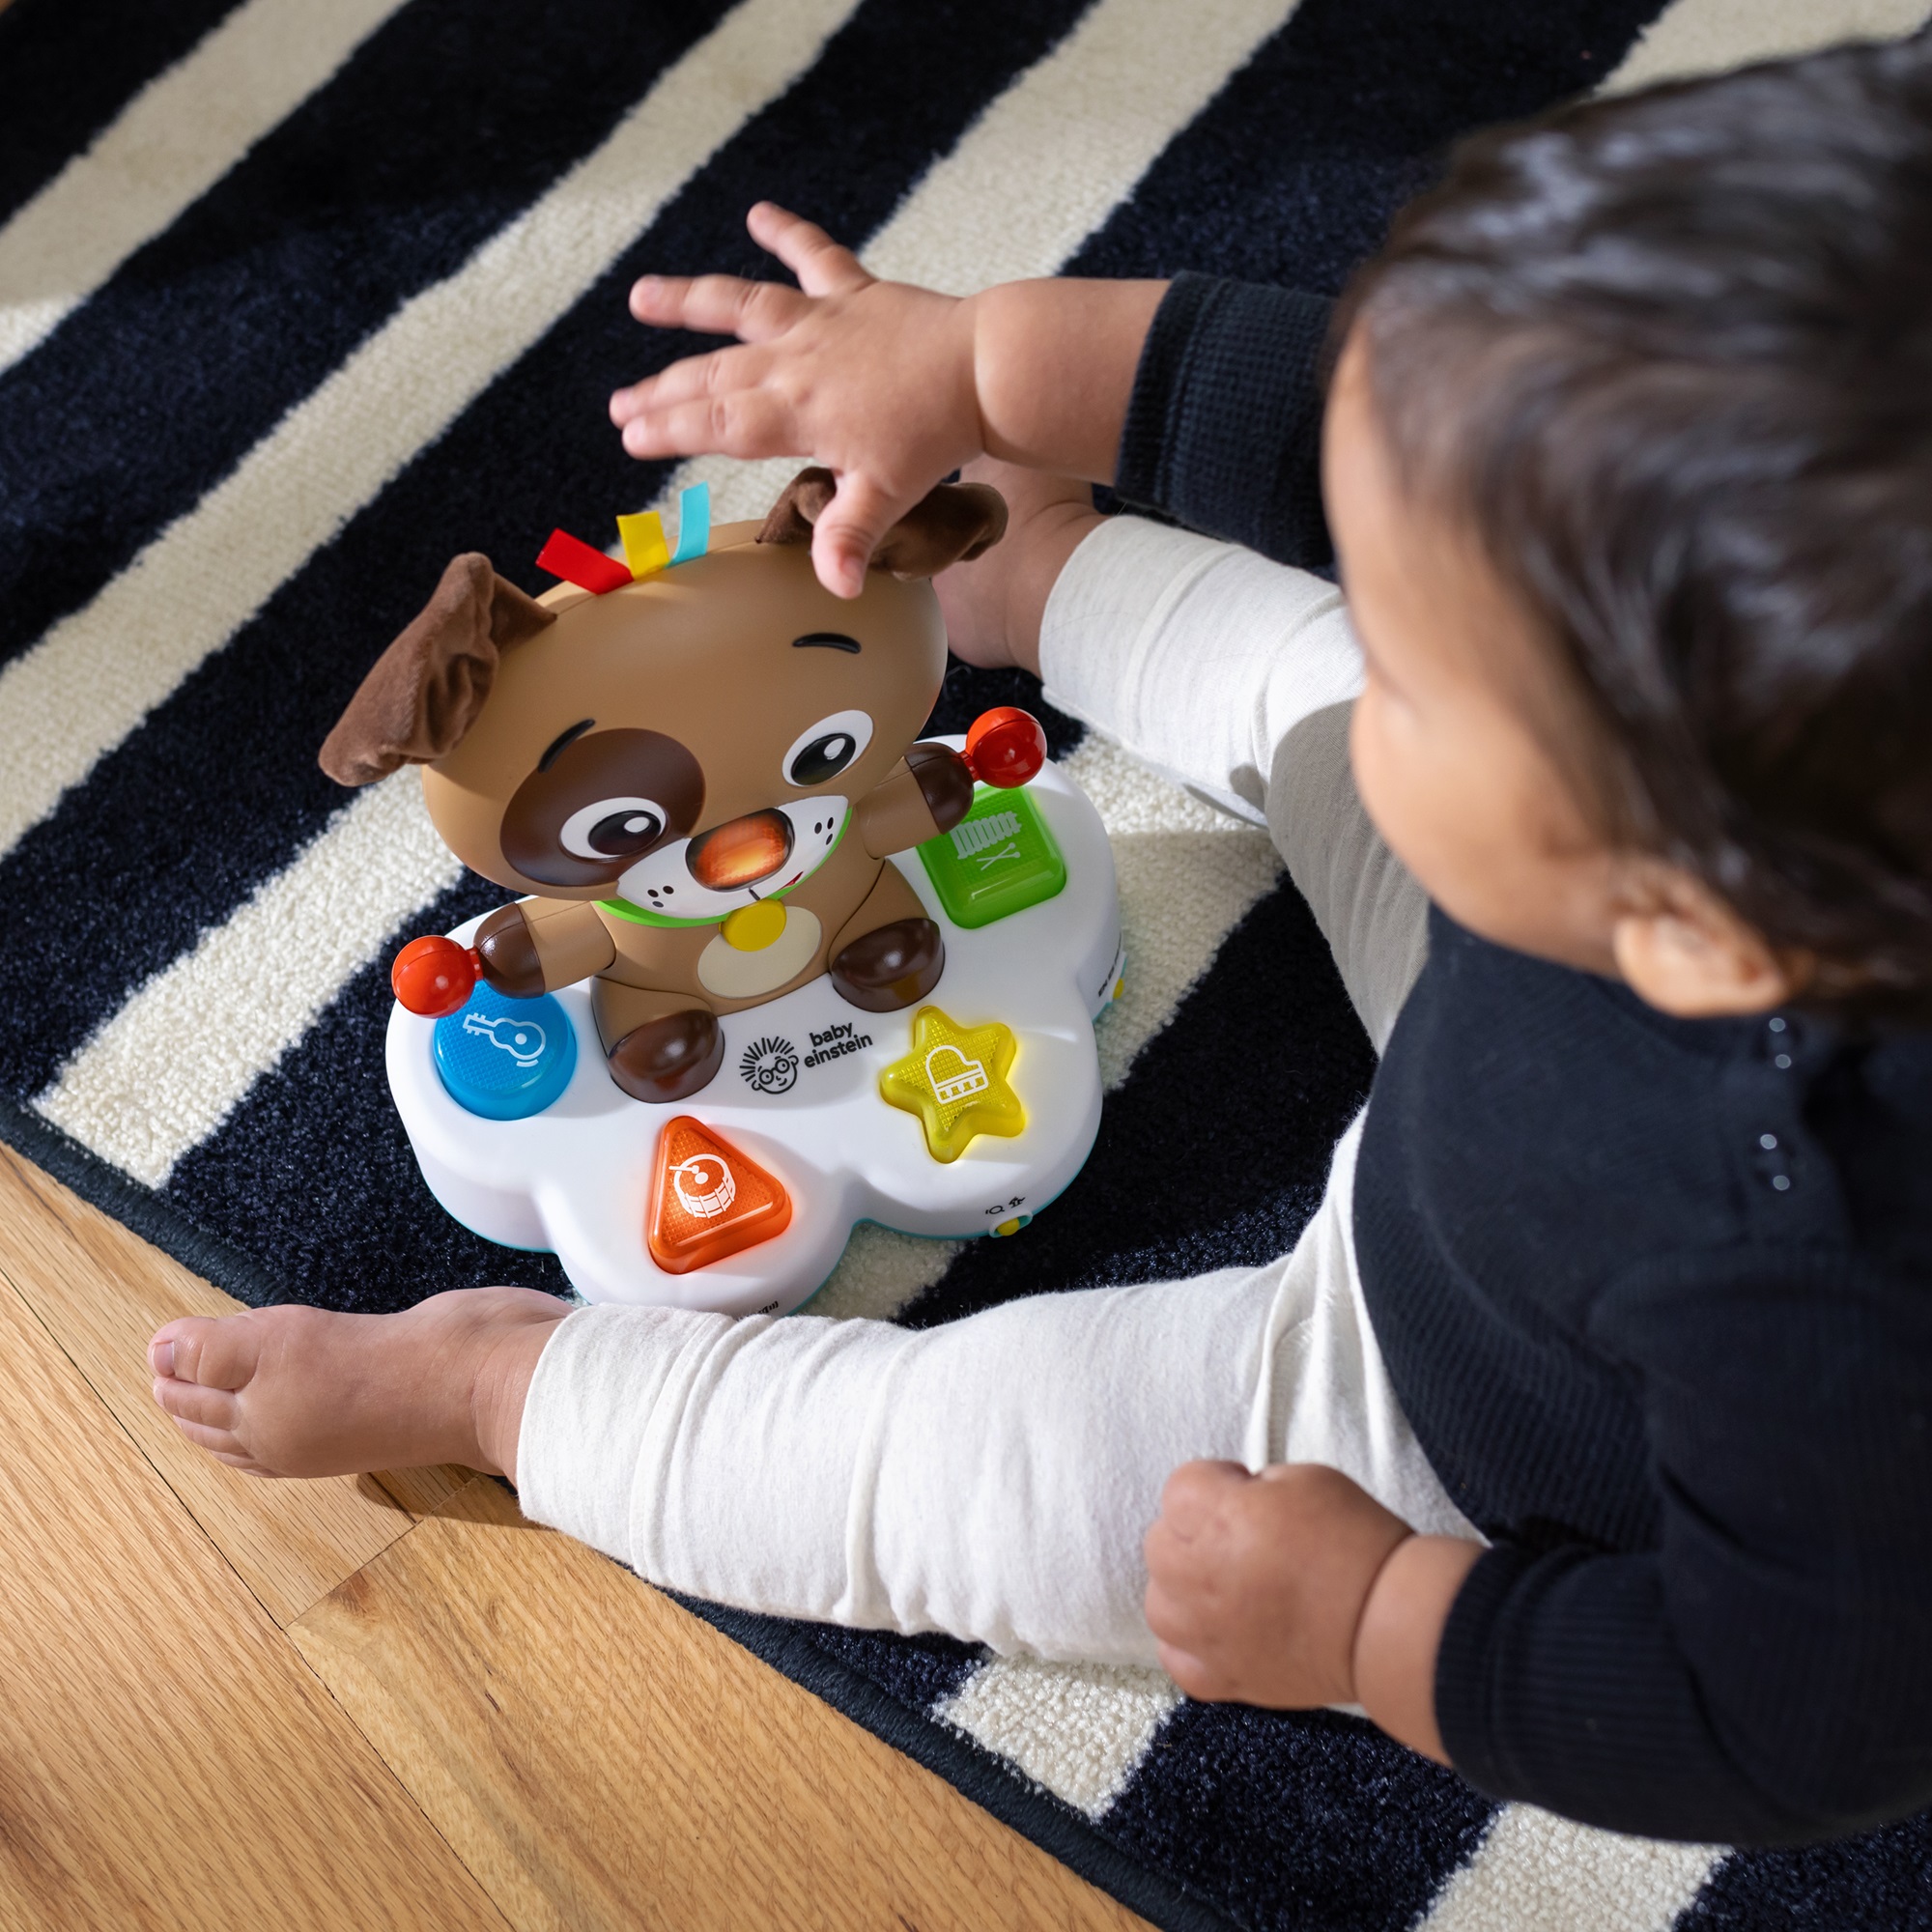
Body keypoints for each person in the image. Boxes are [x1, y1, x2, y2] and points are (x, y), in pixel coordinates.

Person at [147, 37, 1932, 1846]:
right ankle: (1051, 570)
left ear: (1696, 923)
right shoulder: (1739, 656)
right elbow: (1354, 418)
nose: (1379, 610)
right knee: (1323, 680)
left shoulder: (1823, 1305)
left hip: (1440, 1405)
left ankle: (510, 1386)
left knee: (964, 1476)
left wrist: (1381, 1620)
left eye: (1440, 662)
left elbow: (1786, 1717)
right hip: (1540, 989)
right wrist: (988, 357)